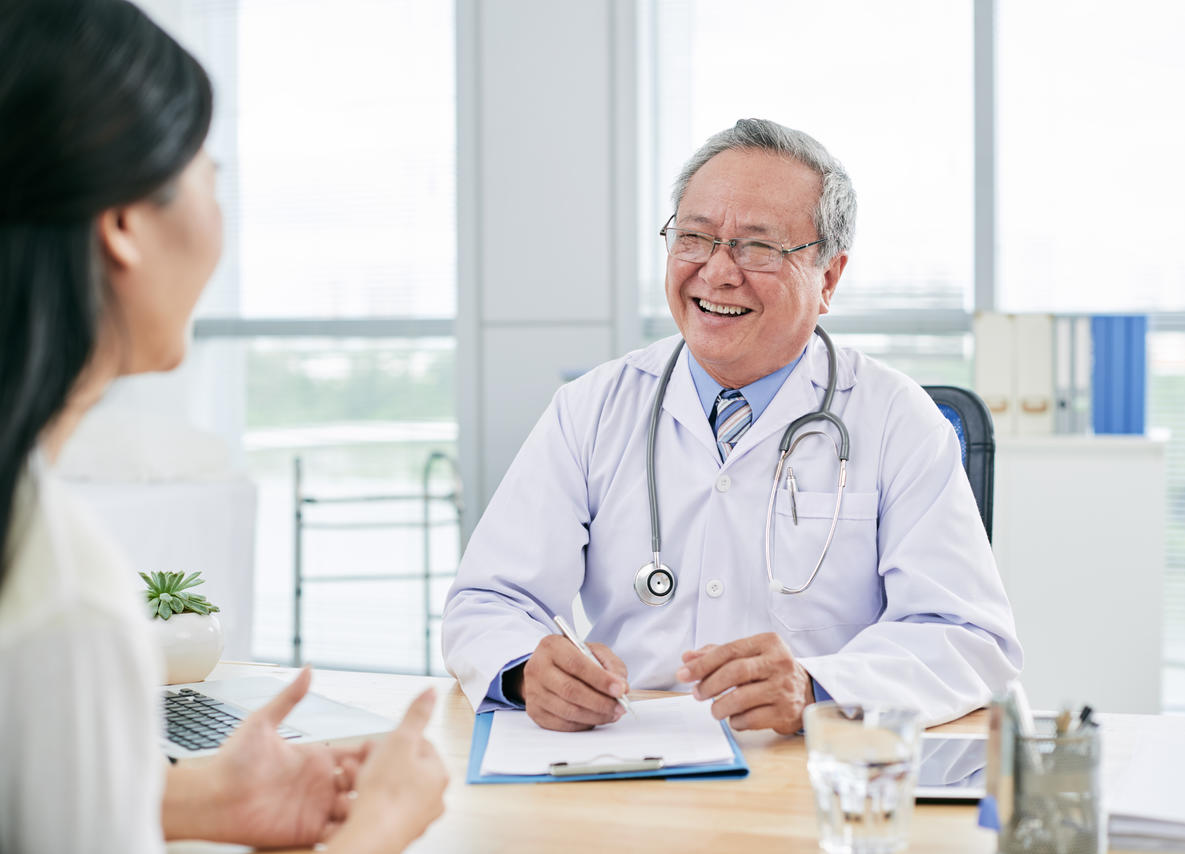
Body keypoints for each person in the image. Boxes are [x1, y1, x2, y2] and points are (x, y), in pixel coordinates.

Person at [0, 1, 447, 851]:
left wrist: (198, 802)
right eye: (210, 175)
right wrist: (381, 828)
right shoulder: (58, 592)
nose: (220, 219)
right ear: (126, 224)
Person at [443, 118, 1021, 734]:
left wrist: (818, 686)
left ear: (827, 278)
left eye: (757, 246)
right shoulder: (591, 408)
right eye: (694, 238)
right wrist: (526, 669)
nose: (718, 272)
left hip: (814, 767)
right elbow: (488, 601)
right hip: (628, 758)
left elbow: (968, 638)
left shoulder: (898, 419)